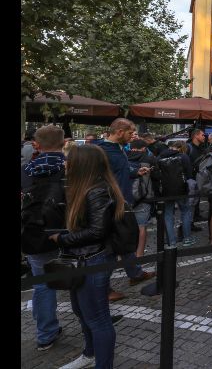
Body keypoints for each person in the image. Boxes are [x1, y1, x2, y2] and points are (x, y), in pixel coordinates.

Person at [50, 144, 124, 369]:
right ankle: (90, 354)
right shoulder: (86, 188)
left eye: (69, 160)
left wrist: (62, 239)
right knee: (82, 311)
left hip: (93, 259)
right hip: (83, 258)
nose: (65, 163)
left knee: (98, 318)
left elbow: (97, 231)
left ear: (81, 164)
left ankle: (102, 363)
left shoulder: (97, 190)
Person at [98, 119, 155, 301]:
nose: (133, 137)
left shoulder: (119, 149)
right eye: (130, 133)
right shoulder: (102, 151)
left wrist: (135, 172)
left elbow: (120, 171)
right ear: (120, 131)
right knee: (111, 248)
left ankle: (135, 273)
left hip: (122, 202)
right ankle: (103, 289)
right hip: (111, 205)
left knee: (125, 239)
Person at [21, 125, 66, 352]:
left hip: (34, 232)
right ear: (64, 143)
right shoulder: (72, 166)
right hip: (70, 232)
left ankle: (46, 334)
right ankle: (92, 328)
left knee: (42, 284)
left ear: (36, 145)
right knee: (82, 280)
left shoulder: (25, 170)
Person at [126, 139, 161, 258]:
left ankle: (125, 255)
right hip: (144, 196)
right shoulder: (149, 158)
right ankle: (139, 256)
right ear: (144, 148)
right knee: (141, 226)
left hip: (125, 197)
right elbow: (157, 177)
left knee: (126, 227)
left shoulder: (124, 157)